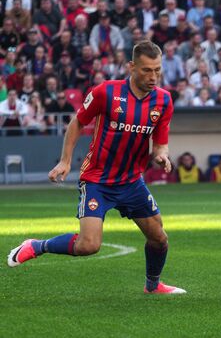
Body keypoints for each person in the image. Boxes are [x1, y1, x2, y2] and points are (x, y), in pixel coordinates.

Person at [7, 41, 186, 295]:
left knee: (159, 238)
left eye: (157, 70)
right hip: (97, 180)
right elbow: (77, 123)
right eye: (147, 70)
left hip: (132, 181)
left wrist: (162, 157)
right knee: (88, 245)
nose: (153, 77)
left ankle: (153, 286)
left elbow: (160, 143)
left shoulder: (164, 101)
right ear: (131, 67)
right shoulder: (107, 92)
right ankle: (38, 245)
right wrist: (65, 161)